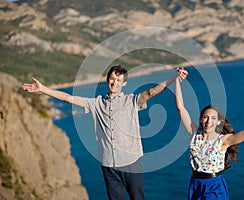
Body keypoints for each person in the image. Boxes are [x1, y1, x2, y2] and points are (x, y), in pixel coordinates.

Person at [22, 65, 187, 200]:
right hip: (108, 165)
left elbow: (151, 92)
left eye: (118, 80)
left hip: (131, 163)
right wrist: (43, 89)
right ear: (108, 80)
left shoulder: (131, 101)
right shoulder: (96, 104)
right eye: (112, 79)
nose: (114, 82)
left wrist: (173, 78)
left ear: (124, 84)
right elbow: (68, 98)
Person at [174, 67, 244, 200]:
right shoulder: (194, 134)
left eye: (213, 118)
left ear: (218, 123)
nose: (208, 121)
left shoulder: (223, 141)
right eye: (205, 117)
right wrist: (177, 80)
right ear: (200, 119)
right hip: (195, 184)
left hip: (214, 186)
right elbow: (180, 108)